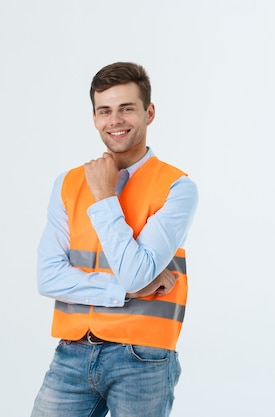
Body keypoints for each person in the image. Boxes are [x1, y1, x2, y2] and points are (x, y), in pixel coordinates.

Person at [31, 62, 198, 417]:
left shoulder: (177, 188)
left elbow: (137, 273)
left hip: (142, 356)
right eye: (105, 111)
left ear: (149, 113)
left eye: (127, 108)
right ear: (94, 118)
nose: (115, 120)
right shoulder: (68, 183)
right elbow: (48, 277)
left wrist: (105, 196)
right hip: (72, 352)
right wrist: (123, 292)